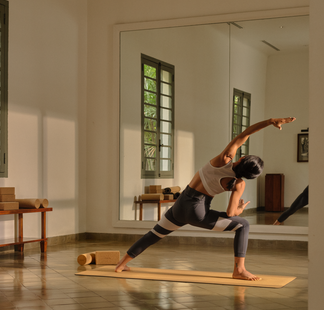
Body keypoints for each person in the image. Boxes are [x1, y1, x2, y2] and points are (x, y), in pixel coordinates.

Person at [115, 117, 296, 281]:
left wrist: (271, 121)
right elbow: (231, 213)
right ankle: (239, 270)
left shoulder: (223, 159)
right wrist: (240, 209)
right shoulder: (239, 184)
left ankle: (121, 264)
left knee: (154, 235)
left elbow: (245, 134)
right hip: (198, 212)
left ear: (241, 160)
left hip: (180, 206)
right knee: (243, 225)